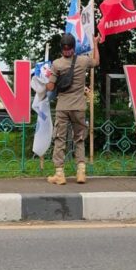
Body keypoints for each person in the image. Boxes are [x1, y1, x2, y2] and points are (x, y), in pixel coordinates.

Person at [45, 32, 99, 185]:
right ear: (74, 48)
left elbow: (50, 87)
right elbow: (96, 61)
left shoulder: (57, 64)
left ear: (62, 48)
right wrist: (95, 43)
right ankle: (81, 172)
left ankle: (59, 174)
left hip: (63, 107)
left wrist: (44, 80)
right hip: (79, 107)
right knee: (79, 139)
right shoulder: (82, 61)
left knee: (59, 139)